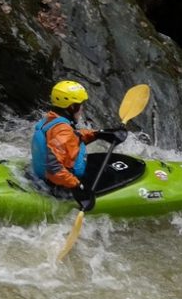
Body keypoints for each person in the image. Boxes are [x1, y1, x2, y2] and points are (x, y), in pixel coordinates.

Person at [30, 80, 128, 212]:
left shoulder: (51, 120)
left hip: (42, 179)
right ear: (71, 107)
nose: (82, 109)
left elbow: (73, 137)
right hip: (59, 187)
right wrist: (77, 187)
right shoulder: (63, 130)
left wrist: (99, 134)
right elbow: (53, 168)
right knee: (112, 175)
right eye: (80, 105)